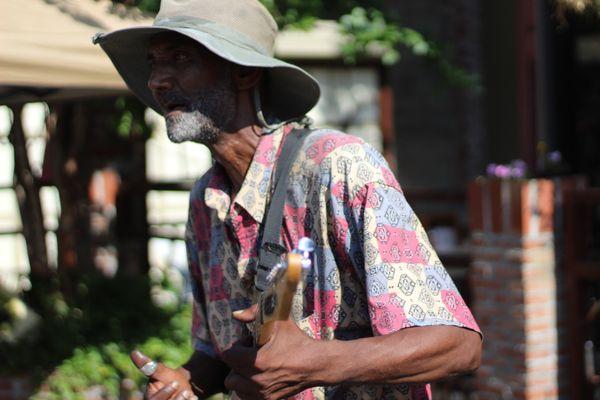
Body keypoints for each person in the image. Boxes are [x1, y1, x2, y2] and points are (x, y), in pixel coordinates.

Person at [95, 1, 482, 399]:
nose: (158, 80)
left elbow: (457, 344)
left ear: (244, 71)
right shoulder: (204, 202)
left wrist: (315, 364)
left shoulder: (338, 167)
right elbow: (218, 352)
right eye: (154, 63)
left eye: (180, 58)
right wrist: (187, 382)